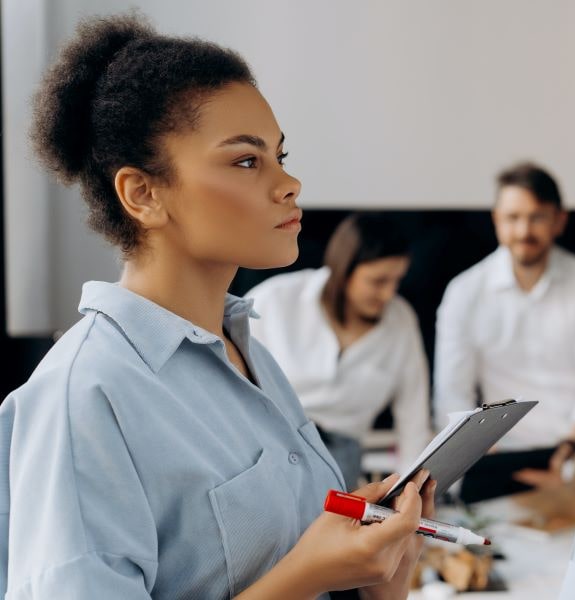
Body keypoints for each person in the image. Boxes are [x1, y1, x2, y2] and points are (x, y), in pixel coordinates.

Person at [0, 14, 434, 599]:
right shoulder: (83, 397)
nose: (290, 184)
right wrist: (309, 572)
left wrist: (380, 575)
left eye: (281, 156)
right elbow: (298, 571)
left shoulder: (248, 353)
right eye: (247, 161)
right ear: (144, 194)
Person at [433, 161, 575, 495]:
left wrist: (569, 449)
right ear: (496, 220)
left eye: (537, 217)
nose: (524, 231)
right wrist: (477, 452)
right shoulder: (464, 292)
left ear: (559, 220)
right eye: (513, 218)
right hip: (494, 458)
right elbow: (452, 392)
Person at [245, 213, 431, 488]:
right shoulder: (274, 300)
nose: (388, 294)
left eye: (396, 280)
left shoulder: (401, 320)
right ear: (344, 270)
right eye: (378, 281)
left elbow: (414, 415)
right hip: (271, 440)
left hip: (342, 457)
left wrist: (412, 490)